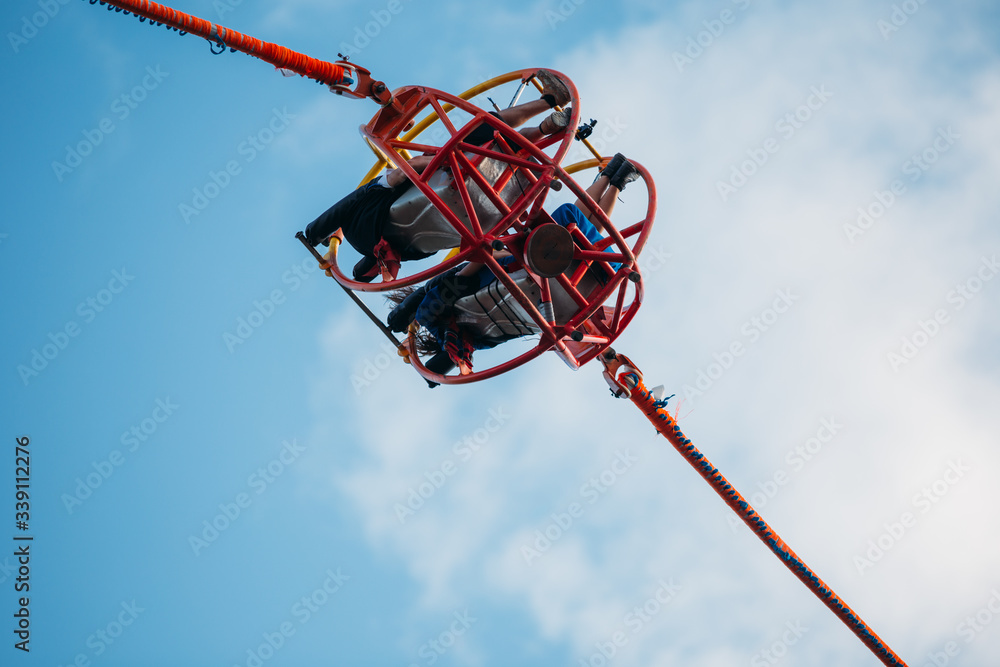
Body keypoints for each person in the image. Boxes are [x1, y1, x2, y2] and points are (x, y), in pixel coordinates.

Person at [387, 153, 641, 384]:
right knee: (568, 221)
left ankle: (616, 180)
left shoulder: (485, 338)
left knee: (577, 236)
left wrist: (435, 368)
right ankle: (611, 177)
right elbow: (461, 276)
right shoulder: (438, 313)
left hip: (583, 281)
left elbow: (459, 283)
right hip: (536, 269)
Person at [302, 70, 574, 282]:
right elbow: (401, 174)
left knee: (497, 149)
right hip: (460, 179)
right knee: (485, 131)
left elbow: (457, 244)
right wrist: (315, 231)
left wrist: (319, 235)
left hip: (489, 210)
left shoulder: (413, 252)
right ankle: (549, 102)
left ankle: (546, 127)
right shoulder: (361, 219)